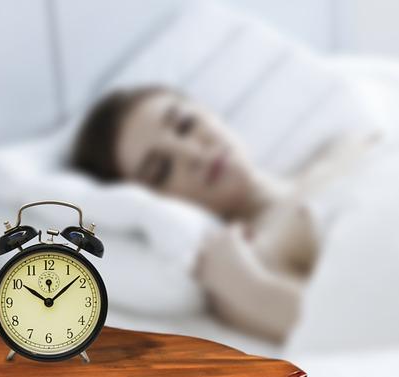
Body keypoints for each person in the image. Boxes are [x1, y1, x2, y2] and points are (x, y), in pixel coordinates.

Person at [72, 86, 376, 341]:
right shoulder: (241, 260)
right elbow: (348, 328)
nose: (193, 154)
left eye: (186, 125)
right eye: (161, 170)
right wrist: (243, 283)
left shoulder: (341, 145)